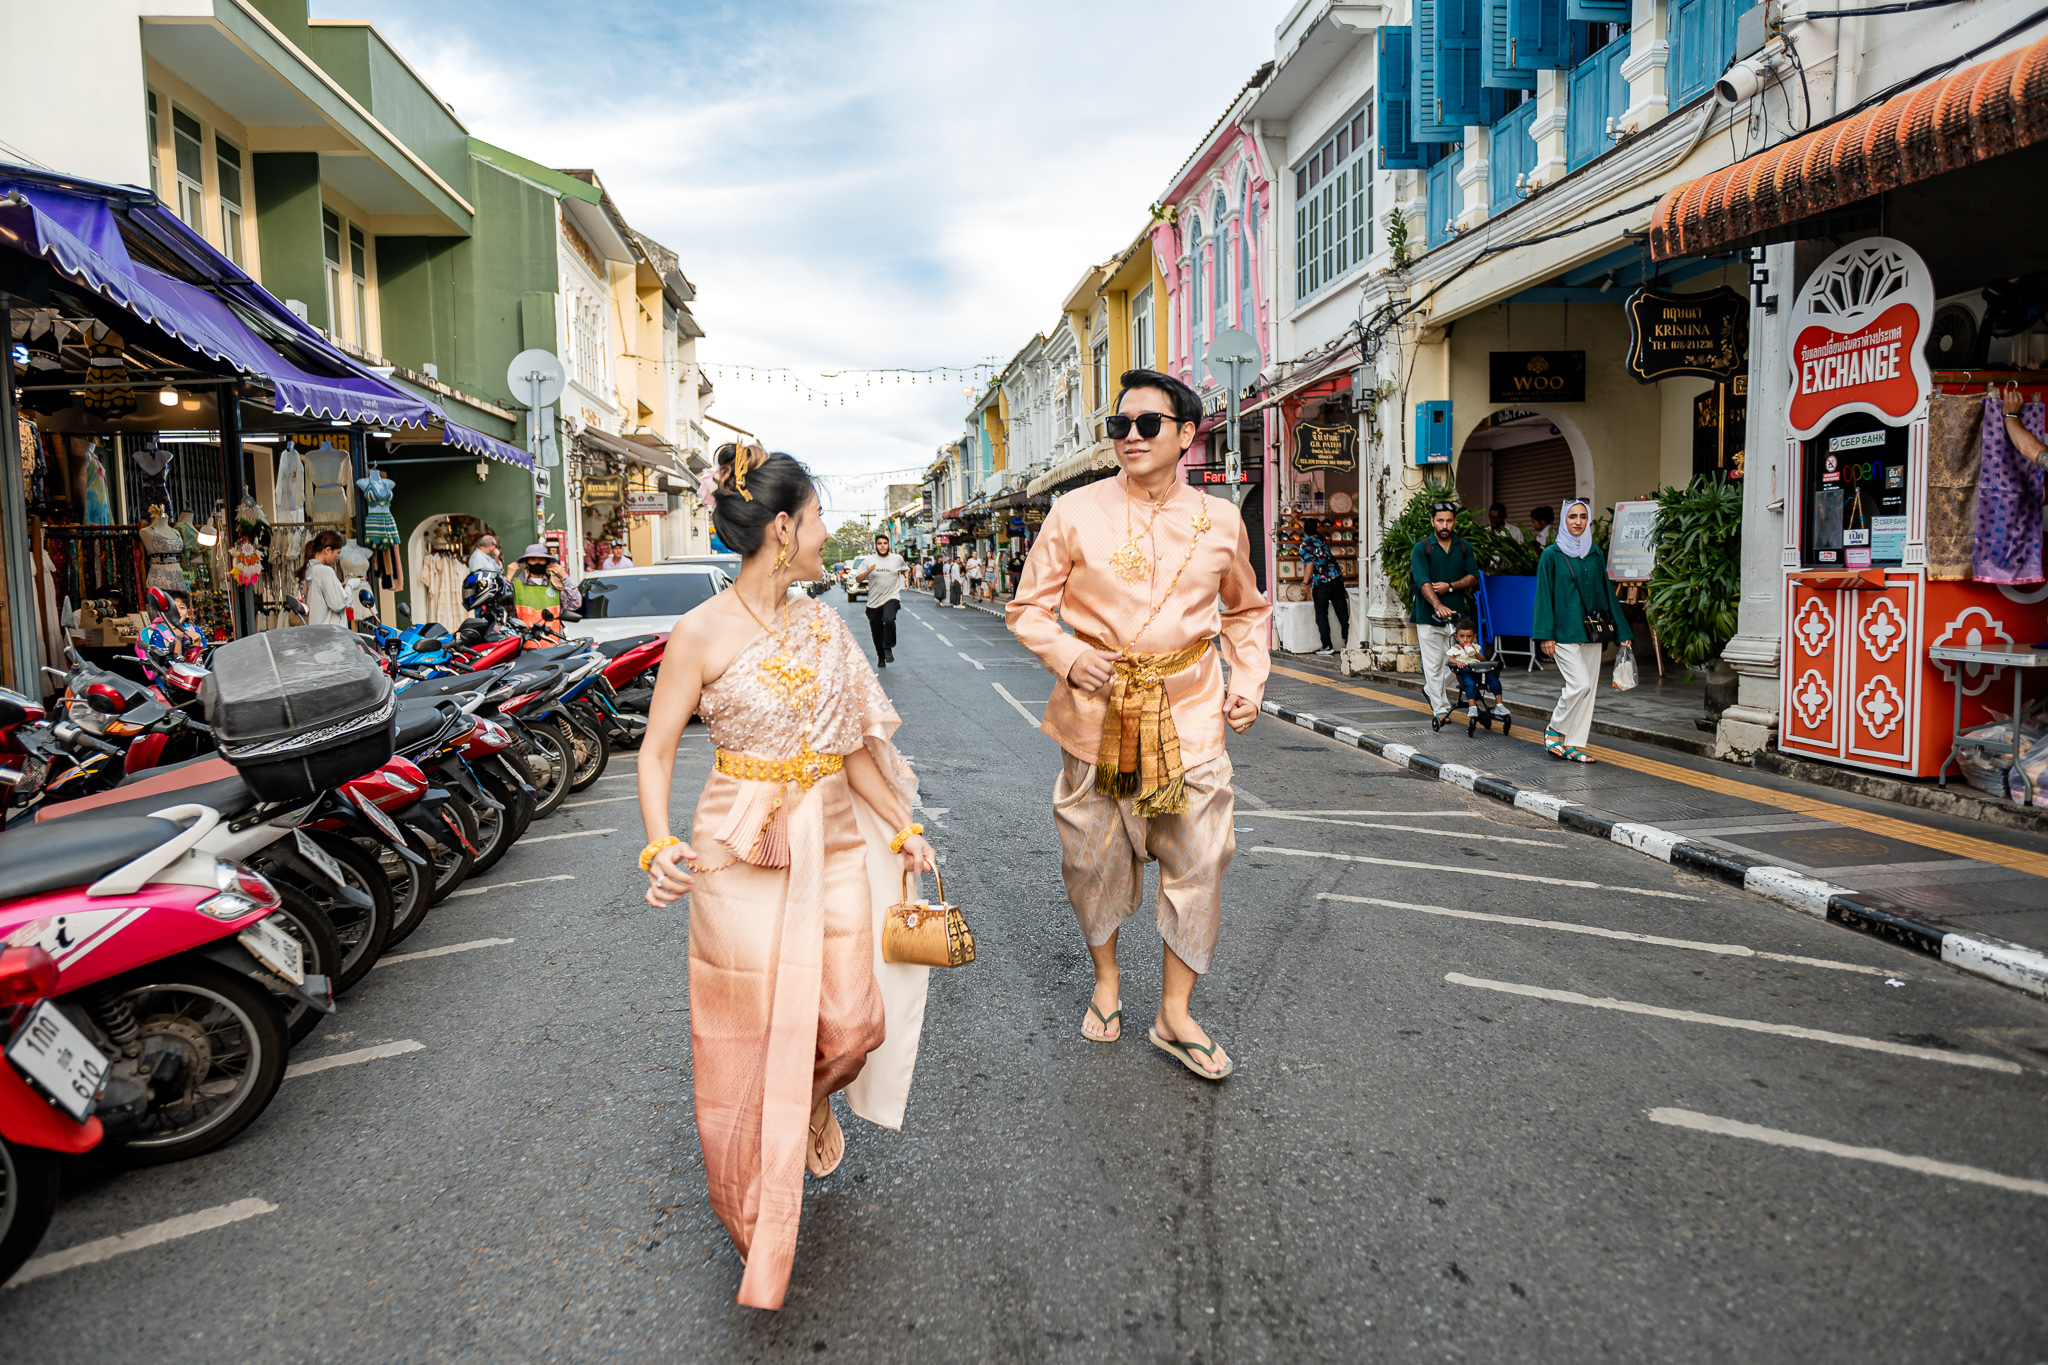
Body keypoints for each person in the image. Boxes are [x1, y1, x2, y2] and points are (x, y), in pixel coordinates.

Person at [637, 441, 936, 1312]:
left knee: (852, 1027)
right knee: (744, 1043)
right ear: (781, 527)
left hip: (834, 839)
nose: (825, 533)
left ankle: (806, 1103)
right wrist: (659, 845)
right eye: (814, 519)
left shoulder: (823, 623)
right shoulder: (699, 632)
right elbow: (656, 754)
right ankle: (755, 1216)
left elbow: (856, 750)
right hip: (740, 849)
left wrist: (904, 828)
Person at [1008, 368, 1270, 1082]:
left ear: (1186, 435)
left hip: (1188, 715)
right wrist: (1067, 655)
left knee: (1201, 857)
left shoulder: (1220, 520)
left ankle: (1175, 1013)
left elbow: (1246, 610)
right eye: (1118, 426)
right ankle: (1106, 977)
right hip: (1096, 716)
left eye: (1146, 424)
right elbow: (1027, 608)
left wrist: (1246, 683)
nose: (1129, 437)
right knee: (1092, 859)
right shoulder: (1073, 512)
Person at [1532, 498, 1630, 763]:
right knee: (1579, 684)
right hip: (1563, 632)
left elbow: (1607, 594)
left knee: (1589, 690)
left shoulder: (1594, 553)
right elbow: (1543, 595)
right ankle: (1554, 729)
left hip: (1592, 631)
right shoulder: (1551, 555)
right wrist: (1545, 634)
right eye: (1572, 516)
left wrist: (1623, 632)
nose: (1577, 522)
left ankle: (1574, 743)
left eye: (1582, 517)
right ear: (1564, 520)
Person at [1409, 501, 1479, 721]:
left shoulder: (1464, 547)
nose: (1445, 525)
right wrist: (1438, 605)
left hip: (1457, 619)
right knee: (1432, 664)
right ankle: (1440, 707)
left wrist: (1450, 586)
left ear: (1454, 521)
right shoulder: (1422, 548)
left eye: (1449, 520)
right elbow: (1422, 581)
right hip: (1427, 616)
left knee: (1459, 661)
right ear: (1432, 521)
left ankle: (1431, 690)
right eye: (1440, 520)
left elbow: (1473, 576)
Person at [1447, 616, 1512, 732]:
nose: (1465, 640)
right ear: (1456, 637)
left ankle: (1499, 705)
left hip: (1479, 671)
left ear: (1474, 637)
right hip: (1466, 671)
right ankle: (1472, 707)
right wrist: (1458, 662)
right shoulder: (1456, 648)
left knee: (1494, 681)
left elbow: (1482, 659)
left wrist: (1475, 652)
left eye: (1469, 637)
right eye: (1461, 636)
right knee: (1470, 684)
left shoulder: (1475, 647)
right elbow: (1450, 659)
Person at [854, 531, 907, 667]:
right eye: (879, 544)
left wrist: (906, 578)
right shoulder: (869, 560)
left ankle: (888, 646)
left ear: (889, 545)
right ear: (876, 546)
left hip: (892, 597)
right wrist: (867, 572)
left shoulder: (897, 558)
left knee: (889, 619)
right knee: (876, 631)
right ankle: (881, 656)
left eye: (885, 543)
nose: (882, 546)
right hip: (874, 601)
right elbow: (858, 578)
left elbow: (904, 568)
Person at [1300, 524, 1348, 656]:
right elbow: (1310, 529)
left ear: (1303, 530)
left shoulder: (1305, 545)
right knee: (1342, 611)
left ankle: (1327, 645)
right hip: (1336, 577)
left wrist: (1304, 583)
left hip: (1321, 582)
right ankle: (1349, 640)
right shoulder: (1321, 538)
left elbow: (1310, 564)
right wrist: (1298, 520)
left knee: (1321, 615)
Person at [509, 542, 581, 628]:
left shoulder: (555, 583)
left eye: (541, 559)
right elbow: (503, 608)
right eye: (532, 560)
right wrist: (508, 578)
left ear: (547, 562)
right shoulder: (516, 584)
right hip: (525, 638)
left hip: (554, 638)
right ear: (526, 563)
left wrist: (564, 576)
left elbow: (575, 604)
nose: (537, 563)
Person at [301, 529, 349, 626]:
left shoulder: (310, 570)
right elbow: (339, 604)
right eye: (337, 552)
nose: (337, 557)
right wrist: (351, 586)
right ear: (327, 550)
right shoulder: (325, 571)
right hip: (330, 636)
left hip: (318, 634)